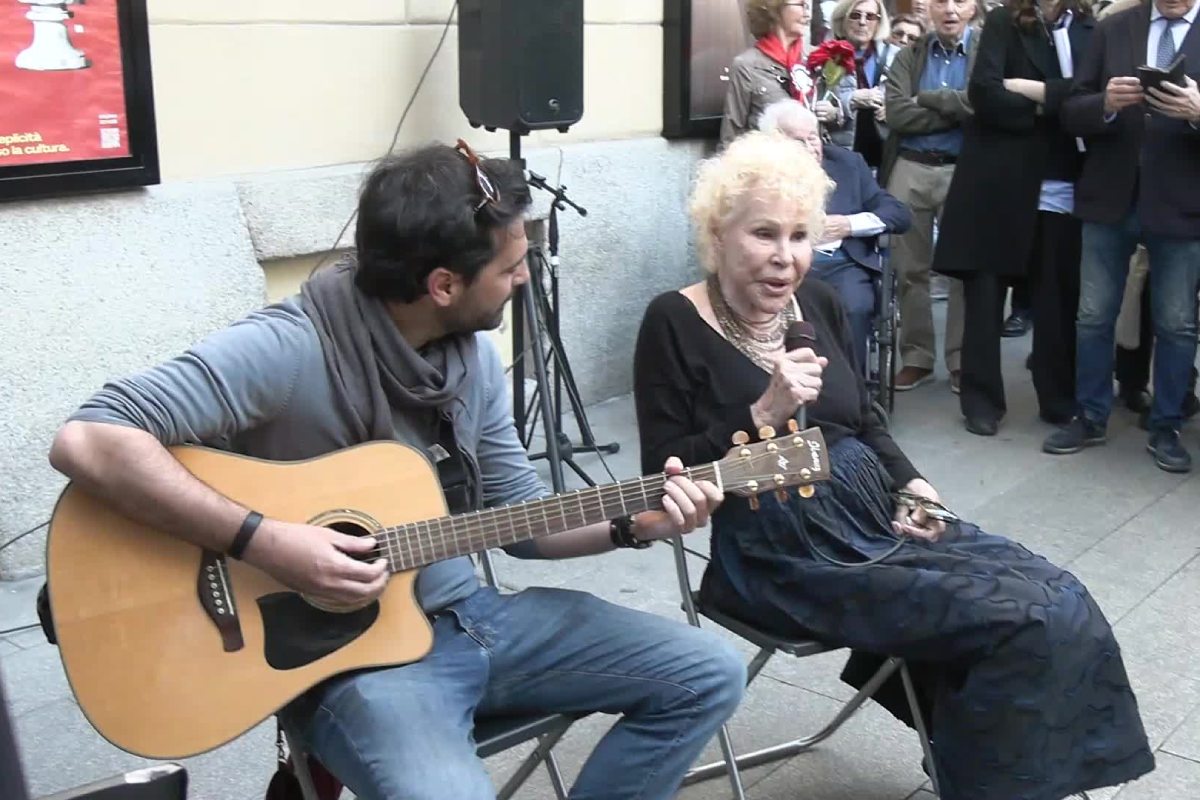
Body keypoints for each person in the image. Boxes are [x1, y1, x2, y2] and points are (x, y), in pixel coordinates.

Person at [46, 143, 747, 800]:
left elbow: (522, 522)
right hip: (357, 666)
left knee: (707, 673)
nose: (526, 277)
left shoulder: (472, 361)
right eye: (510, 267)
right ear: (443, 283)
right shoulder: (289, 350)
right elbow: (90, 439)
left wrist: (632, 525)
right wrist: (263, 541)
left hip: (474, 620)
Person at [633, 130, 1154, 800]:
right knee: (1012, 621)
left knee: (1059, 597)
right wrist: (760, 414)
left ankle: (998, 778)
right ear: (717, 232)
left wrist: (915, 485)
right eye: (764, 234)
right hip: (782, 552)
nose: (786, 258)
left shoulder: (817, 302)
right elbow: (660, 482)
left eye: (800, 236)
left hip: (876, 513)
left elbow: (864, 420)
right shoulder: (672, 322)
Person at [1047, 0, 1200, 473]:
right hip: (1111, 197)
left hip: (1182, 203)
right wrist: (1105, 105)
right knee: (1093, 315)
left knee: (1176, 323)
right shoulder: (1114, 29)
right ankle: (1090, 415)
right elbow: (1072, 110)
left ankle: (1167, 425)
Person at [932, 0, 1096, 436]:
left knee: (1055, 296)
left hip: (1060, 181)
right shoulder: (1005, 20)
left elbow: (1089, 95)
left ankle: (1058, 397)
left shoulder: (1087, 26)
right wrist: (1052, 107)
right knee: (985, 295)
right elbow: (985, 93)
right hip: (998, 182)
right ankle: (981, 401)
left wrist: (1031, 89)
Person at [759, 99, 912, 373]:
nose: (811, 147)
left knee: (854, 305)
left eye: (814, 137)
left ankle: (852, 395)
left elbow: (897, 213)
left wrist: (849, 225)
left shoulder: (848, 164)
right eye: (799, 141)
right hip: (783, 266)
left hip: (843, 265)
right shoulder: (760, 173)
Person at [880, 0, 977, 392]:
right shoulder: (909, 55)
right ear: (929, 10)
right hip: (911, 166)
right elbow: (898, 113)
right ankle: (917, 358)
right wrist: (957, 106)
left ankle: (961, 360)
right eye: (941, 2)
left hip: (964, 169)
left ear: (974, 8)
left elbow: (984, 105)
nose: (950, 10)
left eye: (960, 1)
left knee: (963, 272)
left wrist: (931, 99)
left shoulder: (987, 51)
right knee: (909, 269)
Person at [720, 0, 854, 146]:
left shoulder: (817, 56)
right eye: (801, 5)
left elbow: (838, 117)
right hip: (771, 162)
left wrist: (833, 113)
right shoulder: (746, 65)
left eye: (808, 6)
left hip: (815, 160)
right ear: (775, 9)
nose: (808, 13)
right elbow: (732, 134)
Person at [829, 0, 894, 162]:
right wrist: (852, 99)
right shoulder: (826, 57)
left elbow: (912, 97)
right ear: (842, 19)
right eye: (855, 15)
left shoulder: (895, 56)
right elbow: (818, 103)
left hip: (883, 151)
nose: (863, 22)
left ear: (879, 22)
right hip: (841, 150)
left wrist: (893, 107)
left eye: (870, 17)